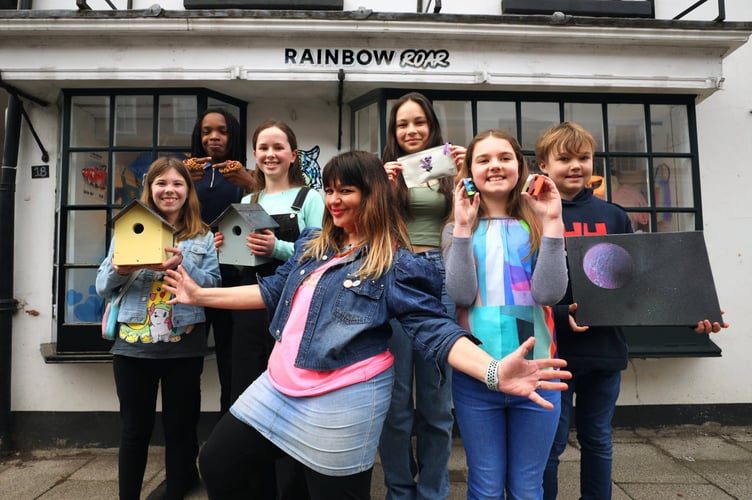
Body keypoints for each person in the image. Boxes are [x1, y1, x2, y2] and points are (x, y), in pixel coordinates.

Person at [162, 151, 571, 500]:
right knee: (218, 462)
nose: (334, 200)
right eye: (329, 189)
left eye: (346, 190)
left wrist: (493, 370)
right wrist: (199, 296)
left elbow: (434, 330)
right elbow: (270, 292)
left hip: (344, 399)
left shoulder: (396, 264)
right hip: (279, 385)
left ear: (372, 196)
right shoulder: (314, 245)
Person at [537, 121, 729, 500]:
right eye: (564, 158)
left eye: (584, 157)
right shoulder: (534, 214)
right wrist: (561, 316)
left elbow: (641, 282)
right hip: (552, 353)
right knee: (550, 446)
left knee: (598, 440)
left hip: (605, 351)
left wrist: (693, 311)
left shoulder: (614, 216)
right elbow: (524, 284)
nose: (575, 165)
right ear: (543, 164)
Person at [442, 129, 569, 499]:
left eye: (504, 157)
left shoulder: (540, 222)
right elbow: (461, 295)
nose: (495, 165)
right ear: (469, 171)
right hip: (478, 376)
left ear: (520, 166)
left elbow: (549, 293)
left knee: (528, 486)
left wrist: (553, 224)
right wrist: (463, 227)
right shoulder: (456, 228)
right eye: (483, 159)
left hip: (539, 373)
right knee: (484, 485)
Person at [96, 157, 221, 500]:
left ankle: (178, 488)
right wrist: (120, 268)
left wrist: (185, 261)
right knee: (134, 431)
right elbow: (102, 285)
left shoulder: (202, 235)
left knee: (181, 429)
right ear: (149, 189)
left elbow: (212, 285)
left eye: (178, 184)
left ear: (188, 190)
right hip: (133, 347)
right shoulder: (128, 227)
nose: (170, 190)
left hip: (184, 346)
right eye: (161, 183)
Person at [214, 120, 324, 499]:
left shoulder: (311, 198)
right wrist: (224, 246)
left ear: (293, 155)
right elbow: (240, 259)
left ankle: (291, 489)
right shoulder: (247, 203)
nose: (270, 154)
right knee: (248, 394)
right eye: (263, 148)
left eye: (279, 147)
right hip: (248, 308)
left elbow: (323, 256)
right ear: (255, 156)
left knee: (290, 396)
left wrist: (276, 247)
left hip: (294, 310)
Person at [380, 91, 465, 500]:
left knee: (436, 399)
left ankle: (433, 489)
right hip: (394, 274)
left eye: (419, 122)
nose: (411, 130)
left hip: (442, 277)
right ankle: (399, 489)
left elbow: (469, 222)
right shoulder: (384, 173)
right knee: (395, 402)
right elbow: (368, 227)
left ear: (431, 126)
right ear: (393, 132)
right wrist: (382, 187)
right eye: (402, 124)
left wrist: (467, 177)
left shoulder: (449, 171)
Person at [186, 108, 255, 416]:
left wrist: (251, 183)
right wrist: (184, 181)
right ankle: (186, 428)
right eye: (207, 131)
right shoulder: (187, 175)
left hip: (234, 276)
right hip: (193, 274)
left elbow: (266, 215)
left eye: (222, 131)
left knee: (231, 359)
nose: (213, 136)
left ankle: (228, 426)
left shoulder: (246, 174)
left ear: (233, 136)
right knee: (188, 360)